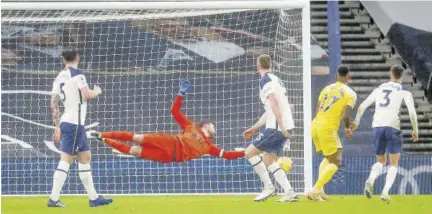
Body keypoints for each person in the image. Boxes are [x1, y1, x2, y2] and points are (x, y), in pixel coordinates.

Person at [92, 80, 245, 163]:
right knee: (137, 138)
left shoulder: (210, 147)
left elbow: (228, 155)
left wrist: (245, 152)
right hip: (170, 142)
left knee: (134, 151)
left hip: (169, 157)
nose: (215, 129)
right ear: (205, 125)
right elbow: (175, 111)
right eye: (213, 126)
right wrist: (181, 94)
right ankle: (102, 133)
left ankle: (103, 139)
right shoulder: (190, 126)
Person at [49, 47, 112, 208]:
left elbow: (53, 103)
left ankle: (94, 198)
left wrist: (57, 126)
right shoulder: (78, 75)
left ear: (63, 60)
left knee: (85, 157)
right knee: (66, 160)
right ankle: (53, 199)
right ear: (78, 58)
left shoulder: (58, 78)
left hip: (70, 123)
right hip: (74, 124)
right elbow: (87, 95)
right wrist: (97, 91)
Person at [351, 65, 419, 202]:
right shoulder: (404, 92)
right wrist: (415, 129)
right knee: (394, 163)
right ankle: (385, 192)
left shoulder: (379, 89)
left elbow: (363, 105)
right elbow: (412, 112)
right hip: (393, 127)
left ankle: (370, 179)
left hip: (377, 126)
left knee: (381, 161)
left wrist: (356, 122)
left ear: (390, 75)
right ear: (402, 77)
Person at [243, 54, 297, 202]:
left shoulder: (265, 80)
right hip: (284, 126)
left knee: (249, 153)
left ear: (257, 66)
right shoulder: (276, 80)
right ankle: (289, 193)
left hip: (276, 128)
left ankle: (268, 187)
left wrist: (281, 127)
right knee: (269, 159)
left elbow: (274, 103)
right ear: (270, 65)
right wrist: (254, 128)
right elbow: (269, 110)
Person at [307, 65, 357, 201]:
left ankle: (320, 191)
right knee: (336, 161)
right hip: (327, 127)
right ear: (349, 77)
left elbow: (318, 109)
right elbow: (346, 116)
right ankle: (314, 189)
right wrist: (347, 128)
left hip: (315, 124)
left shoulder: (326, 89)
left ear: (336, 76)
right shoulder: (350, 93)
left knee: (329, 157)